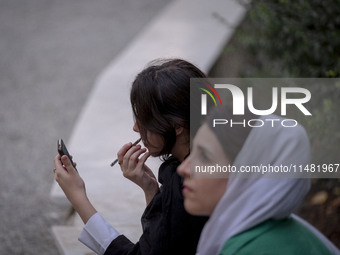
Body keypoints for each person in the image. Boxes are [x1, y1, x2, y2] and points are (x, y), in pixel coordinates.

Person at [53, 59, 208, 255]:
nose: (136, 127)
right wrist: (151, 190)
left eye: (144, 118)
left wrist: (78, 197)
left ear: (177, 125)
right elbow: (164, 243)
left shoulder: (186, 186)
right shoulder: (209, 157)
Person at [177, 107, 339, 255]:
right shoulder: (282, 231)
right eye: (193, 152)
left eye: (204, 157)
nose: (183, 168)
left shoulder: (250, 249)